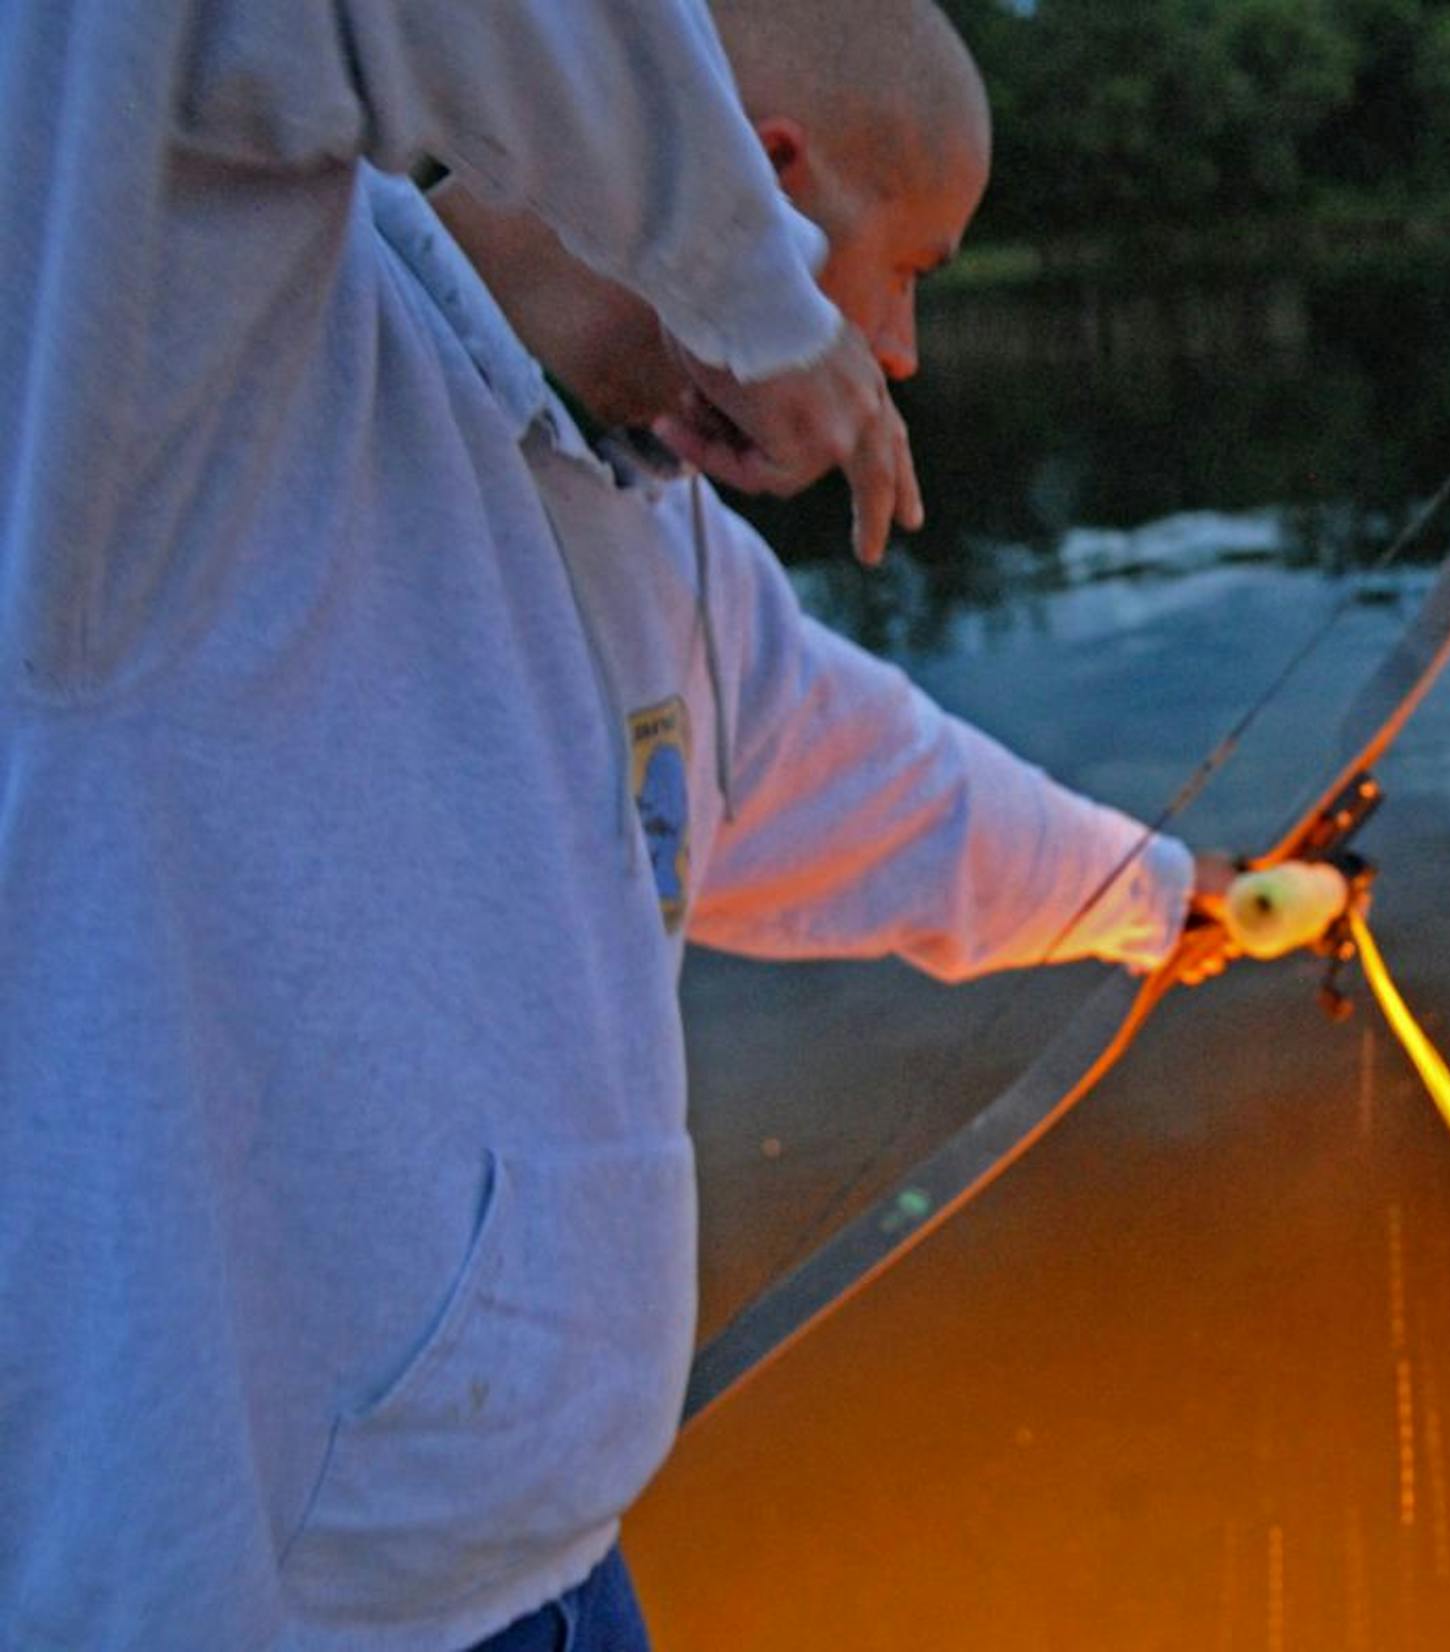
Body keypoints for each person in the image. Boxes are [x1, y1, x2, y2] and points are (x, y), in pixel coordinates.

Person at [0, 2, 1229, 1648]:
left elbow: (879, 787)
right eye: (913, 270)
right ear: (773, 180)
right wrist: (742, 281)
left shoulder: (667, 546)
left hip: (564, 1577)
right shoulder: (176, 370)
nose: (909, 350)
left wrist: (1175, 899)